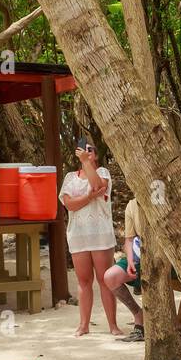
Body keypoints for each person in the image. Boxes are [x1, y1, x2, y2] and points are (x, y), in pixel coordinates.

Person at [59, 140, 121, 337]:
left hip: (100, 234)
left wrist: (87, 164)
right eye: (83, 150)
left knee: (105, 280)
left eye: (90, 150)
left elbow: (97, 185)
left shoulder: (103, 172)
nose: (87, 152)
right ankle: (83, 325)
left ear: (96, 154)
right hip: (78, 235)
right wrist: (89, 197)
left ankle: (113, 325)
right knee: (84, 280)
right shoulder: (70, 177)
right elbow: (69, 204)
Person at [104, 195, 144, 342]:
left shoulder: (161, 200)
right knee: (110, 276)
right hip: (139, 257)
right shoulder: (132, 205)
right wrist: (130, 260)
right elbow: (129, 239)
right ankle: (138, 315)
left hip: (165, 259)